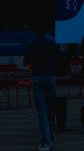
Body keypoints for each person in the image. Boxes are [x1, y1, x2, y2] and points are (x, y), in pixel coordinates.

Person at [26, 23, 59, 151]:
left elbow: (26, 60)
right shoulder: (51, 41)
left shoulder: (31, 42)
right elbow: (57, 57)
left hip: (37, 77)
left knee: (42, 111)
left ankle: (46, 141)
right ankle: (50, 137)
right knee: (50, 110)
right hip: (50, 77)